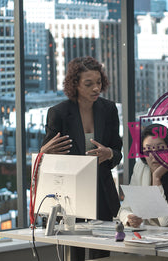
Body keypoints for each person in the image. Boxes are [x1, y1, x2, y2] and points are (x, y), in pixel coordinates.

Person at [40, 56, 122, 258]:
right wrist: (44, 152)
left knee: (101, 254)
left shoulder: (109, 109)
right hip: (70, 197)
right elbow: (46, 159)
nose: (96, 88)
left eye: (99, 82)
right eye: (89, 84)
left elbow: (118, 152)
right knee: (73, 254)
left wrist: (109, 153)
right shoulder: (58, 113)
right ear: (75, 84)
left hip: (102, 193)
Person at [118, 124, 168, 229]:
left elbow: (166, 221)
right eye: (148, 150)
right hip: (150, 237)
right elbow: (123, 210)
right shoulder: (141, 167)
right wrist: (129, 219)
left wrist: (156, 178)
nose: (153, 155)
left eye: (160, 149)